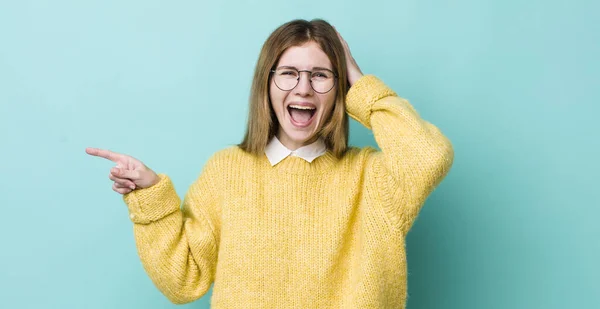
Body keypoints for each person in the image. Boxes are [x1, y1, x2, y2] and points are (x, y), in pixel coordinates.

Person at [86, 18, 454, 309]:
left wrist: (359, 83)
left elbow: (428, 155)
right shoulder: (227, 170)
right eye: (290, 73)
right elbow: (183, 280)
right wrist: (152, 198)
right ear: (268, 83)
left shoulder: (373, 178)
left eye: (321, 75)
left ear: (339, 89)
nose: (304, 88)